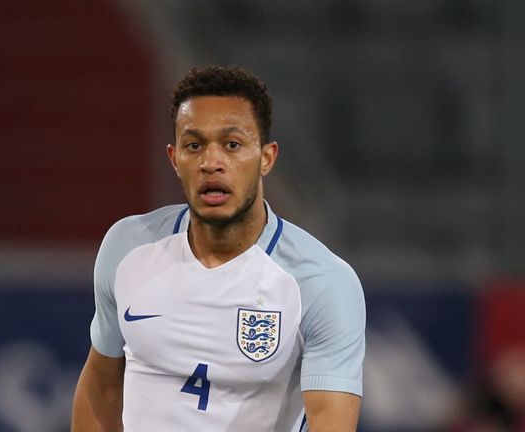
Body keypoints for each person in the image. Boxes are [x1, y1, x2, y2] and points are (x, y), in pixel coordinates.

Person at [71, 65, 366, 432]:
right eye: (194, 145)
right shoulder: (127, 247)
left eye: (232, 144)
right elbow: (101, 388)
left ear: (267, 157)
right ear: (175, 159)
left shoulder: (322, 284)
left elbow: (330, 423)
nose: (211, 163)